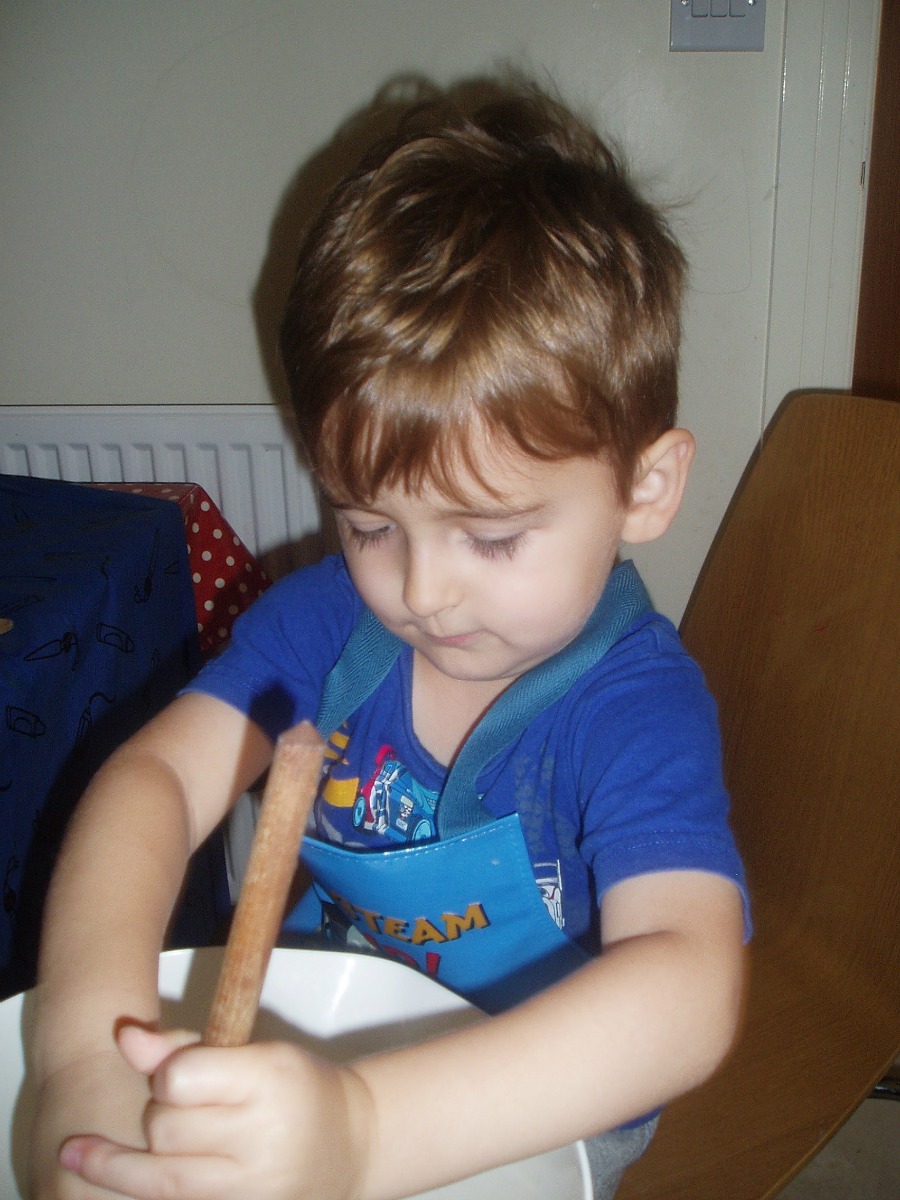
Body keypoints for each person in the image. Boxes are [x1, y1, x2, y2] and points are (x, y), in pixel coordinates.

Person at [28, 82, 748, 1200]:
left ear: (644, 488)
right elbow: (155, 783)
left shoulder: (635, 708)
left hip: (522, 1104)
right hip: (321, 1037)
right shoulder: (323, 628)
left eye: (492, 536)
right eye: (368, 524)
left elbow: (690, 986)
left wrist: (366, 1132)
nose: (420, 592)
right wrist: (80, 1057)